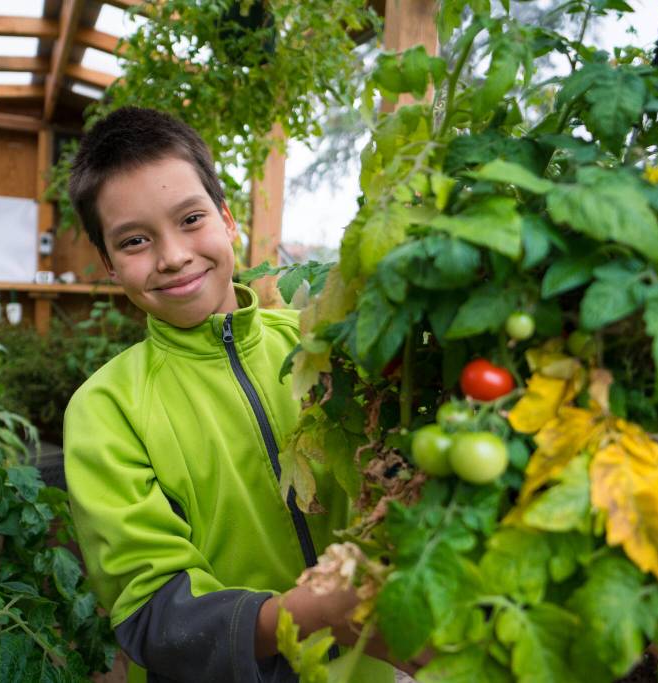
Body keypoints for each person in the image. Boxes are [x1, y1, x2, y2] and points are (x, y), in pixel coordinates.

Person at [63, 107, 410, 682]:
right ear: (107, 263)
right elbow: (155, 616)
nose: (172, 255)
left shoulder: (317, 346)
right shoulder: (107, 411)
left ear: (228, 220)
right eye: (135, 240)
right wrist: (309, 616)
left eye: (191, 218)